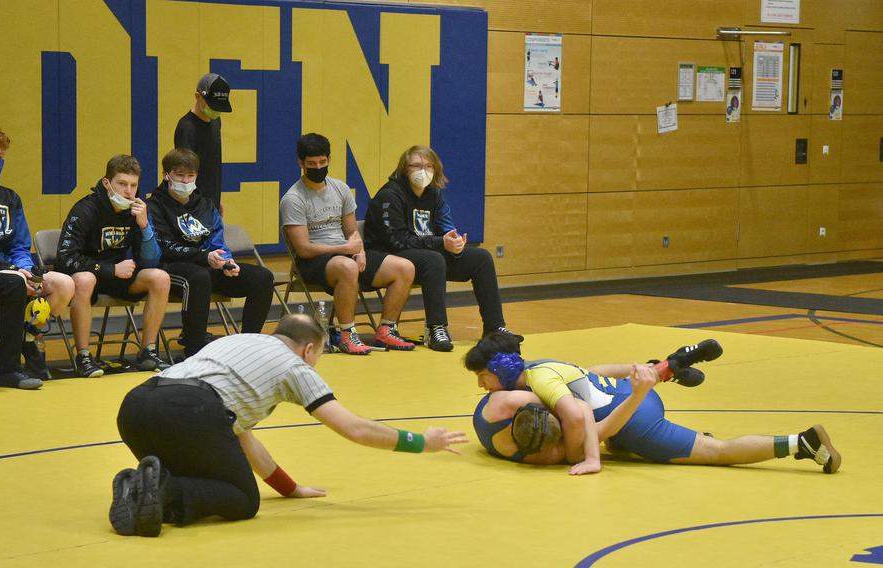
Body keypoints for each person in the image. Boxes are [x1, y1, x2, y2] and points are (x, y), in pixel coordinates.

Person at [110, 313, 468, 537]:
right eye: (320, 357)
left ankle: (143, 489)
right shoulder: (294, 367)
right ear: (309, 349)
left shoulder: (240, 341)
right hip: (190, 413)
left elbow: (241, 438)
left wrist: (289, 488)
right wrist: (420, 441)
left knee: (209, 475)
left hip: (136, 408)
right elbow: (353, 428)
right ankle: (162, 489)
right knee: (242, 500)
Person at [466, 333, 842, 475]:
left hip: (632, 418)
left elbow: (587, 422)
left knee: (716, 451)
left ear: (500, 368)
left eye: (482, 376)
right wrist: (644, 374)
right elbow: (592, 372)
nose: (481, 385)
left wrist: (587, 459)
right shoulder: (543, 367)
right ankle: (664, 368)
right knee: (607, 419)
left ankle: (803, 443)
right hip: (626, 396)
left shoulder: (539, 382)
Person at [363, 145, 520, 352]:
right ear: (404, 168)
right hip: (390, 258)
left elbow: (446, 228)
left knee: (481, 258)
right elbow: (397, 241)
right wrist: (440, 243)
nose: (423, 171)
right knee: (434, 259)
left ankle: (495, 328)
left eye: (428, 166)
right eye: (416, 166)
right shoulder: (390, 195)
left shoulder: (434, 195)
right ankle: (437, 327)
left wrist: (454, 242)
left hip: (426, 257)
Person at [280, 133, 417, 355]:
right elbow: (303, 249)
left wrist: (360, 251)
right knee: (347, 266)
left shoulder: (340, 189)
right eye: (312, 164)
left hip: (346, 253)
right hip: (313, 261)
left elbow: (352, 231)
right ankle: (346, 335)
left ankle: (386, 330)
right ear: (301, 163)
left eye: (322, 162)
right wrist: (344, 250)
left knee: (405, 267)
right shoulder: (293, 199)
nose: (318, 167)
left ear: (329, 159)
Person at [0, 123, 75, 383]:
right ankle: (5, 368)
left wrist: (25, 268)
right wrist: (8, 269)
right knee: (13, 282)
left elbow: (19, 244)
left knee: (63, 284)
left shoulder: (10, 198)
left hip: (9, 273)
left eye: (1, 156)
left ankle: (27, 335)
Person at [147, 148, 274, 357]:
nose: (185, 181)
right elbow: (164, 247)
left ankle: (249, 346)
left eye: (190, 176)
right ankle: (194, 349)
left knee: (262, 277)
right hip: (170, 269)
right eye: (179, 175)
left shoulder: (205, 205)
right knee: (199, 276)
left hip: (208, 265)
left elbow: (217, 241)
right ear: (166, 175)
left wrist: (225, 261)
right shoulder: (154, 206)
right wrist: (203, 257)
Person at [57, 154, 171, 377]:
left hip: (119, 276)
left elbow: (150, 261)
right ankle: (84, 356)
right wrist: (110, 269)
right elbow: (66, 259)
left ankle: (148, 352)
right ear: (106, 183)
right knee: (85, 279)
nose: (128, 191)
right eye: (122, 184)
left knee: (160, 277)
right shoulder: (85, 210)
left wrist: (144, 225)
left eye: (133, 185)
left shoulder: (136, 210)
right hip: (87, 275)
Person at [174, 73, 232, 211]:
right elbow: (184, 176)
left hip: (211, 203)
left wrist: (215, 200)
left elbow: (212, 166)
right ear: (198, 96)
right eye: (212, 105)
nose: (216, 110)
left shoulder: (216, 121)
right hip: (193, 206)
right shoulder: (186, 128)